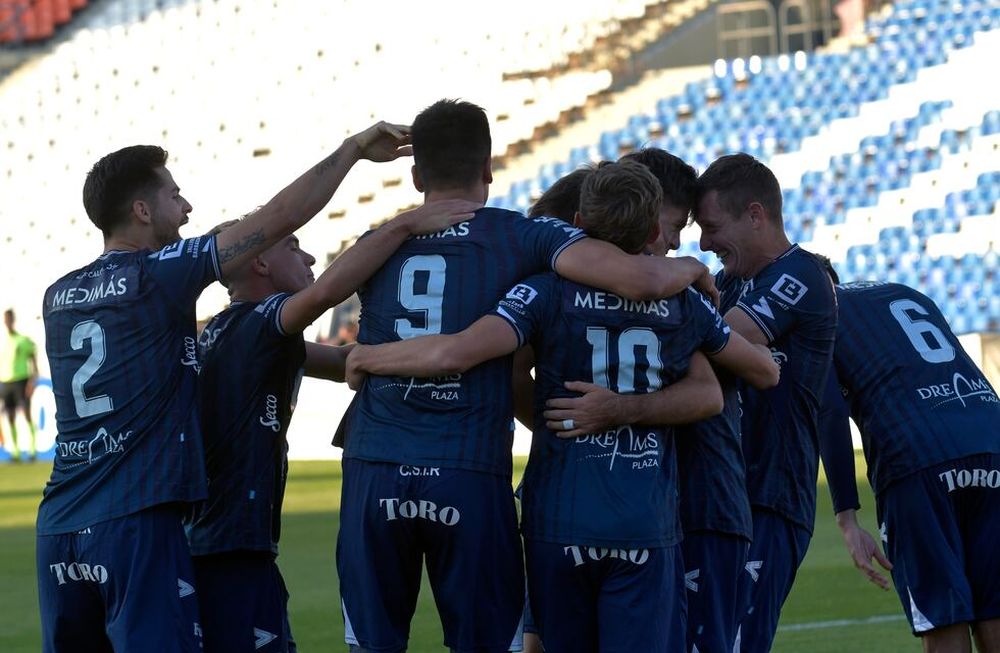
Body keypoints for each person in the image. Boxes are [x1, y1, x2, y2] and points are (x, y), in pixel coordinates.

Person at [333, 99, 720, 653]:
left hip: (381, 460)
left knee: (375, 642)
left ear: (416, 176)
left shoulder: (379, 243)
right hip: (476, 470)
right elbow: (642, 284)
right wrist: (691, 269)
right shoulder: (523, 238)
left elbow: (314, 304)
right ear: (489, 169)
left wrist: (367, 357)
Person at [36, 120, 415, 652]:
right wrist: (352, 151)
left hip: (58, 523)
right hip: (136, 521)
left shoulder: (58, 295)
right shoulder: (159, 276)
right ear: (142, 211)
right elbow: (277, 218)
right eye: (174, 195)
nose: (187, 209)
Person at [185, 200, 477, 653]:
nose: (309, 259)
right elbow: (326, 294)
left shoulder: (228, 328)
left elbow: (344, 362)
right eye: (293, 246)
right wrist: (402, 225)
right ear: (260, 261)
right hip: (232, 544)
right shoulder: (263, 323)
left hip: (215, 537)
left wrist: (442, 348)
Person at [544, 148, 760, 653]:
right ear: (648, 214)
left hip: (667, 508)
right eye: (677, 224)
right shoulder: (673, 296)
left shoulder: (555, 280)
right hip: (656, 515)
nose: (681, 241)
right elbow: (757, 371)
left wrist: (572, 420)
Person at [692, 153, 838, 652]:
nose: (704, 243)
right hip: (728, 495)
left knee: (736, 642)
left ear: (755, 215)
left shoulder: (800, 274)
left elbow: (713, 338)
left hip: (773, 494)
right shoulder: (732, 280)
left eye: (711, 227)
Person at [816, 272, 1000, 653]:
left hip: (917, 456)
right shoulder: (903, 292)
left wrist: (847, 517)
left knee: (943, 613)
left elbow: (829, 412)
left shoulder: (816, 311)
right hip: (992, 440)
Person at [0, 309, 38, 461]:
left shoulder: (23, 340)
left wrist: (32, 381)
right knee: (10, 416)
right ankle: (15, 452)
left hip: (21, 380)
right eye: (5, 319)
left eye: (9, 319)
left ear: (13, 320)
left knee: (27, 414)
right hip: (5, 382)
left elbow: (33, 363)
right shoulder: (3, 341)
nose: (7, 322)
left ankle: (32, 450)